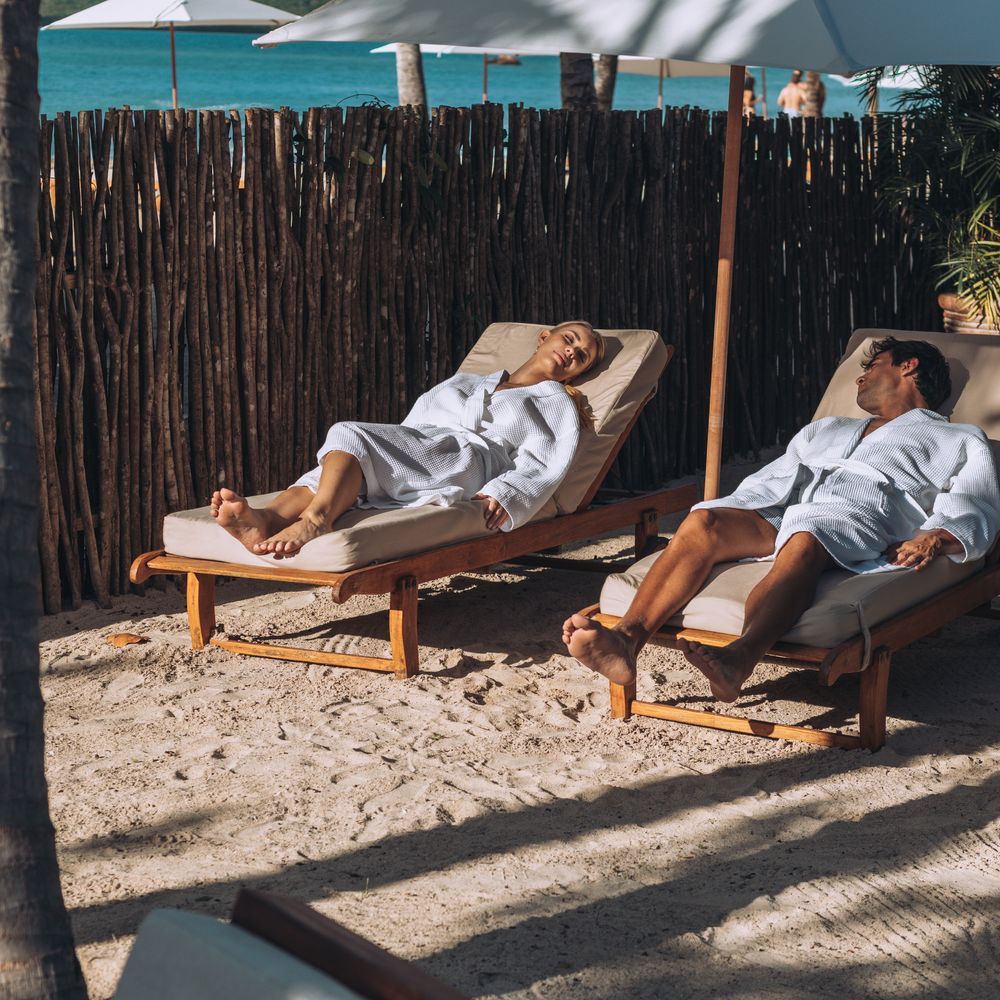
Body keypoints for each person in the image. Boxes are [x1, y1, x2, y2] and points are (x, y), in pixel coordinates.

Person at [564, 337, 1000, 702]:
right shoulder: (827, 428)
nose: (860, 377)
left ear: (909, 366)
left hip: (862, 516)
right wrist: (737, 511)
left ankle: (739, 658)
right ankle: (626, 638)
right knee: (704, 524)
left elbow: (975, 503)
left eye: (874, 366)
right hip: (786, 504)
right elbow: (768, 478)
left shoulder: (955, 436)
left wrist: (937, 536)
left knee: (807, 535)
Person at [212, 320, 605, 557]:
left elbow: (546, 461)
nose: (572, 351)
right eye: (569, 339)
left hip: (470, 461)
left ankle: (316, 518)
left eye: (582, 356)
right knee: (346, 461)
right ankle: (264, 519)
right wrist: (397, 447)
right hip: (427, 446)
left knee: (348, 434)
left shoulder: (554, 401)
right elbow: (416, 423)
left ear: (576, 373)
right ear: (544, 336)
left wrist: (510, 492)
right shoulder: (469, 381)